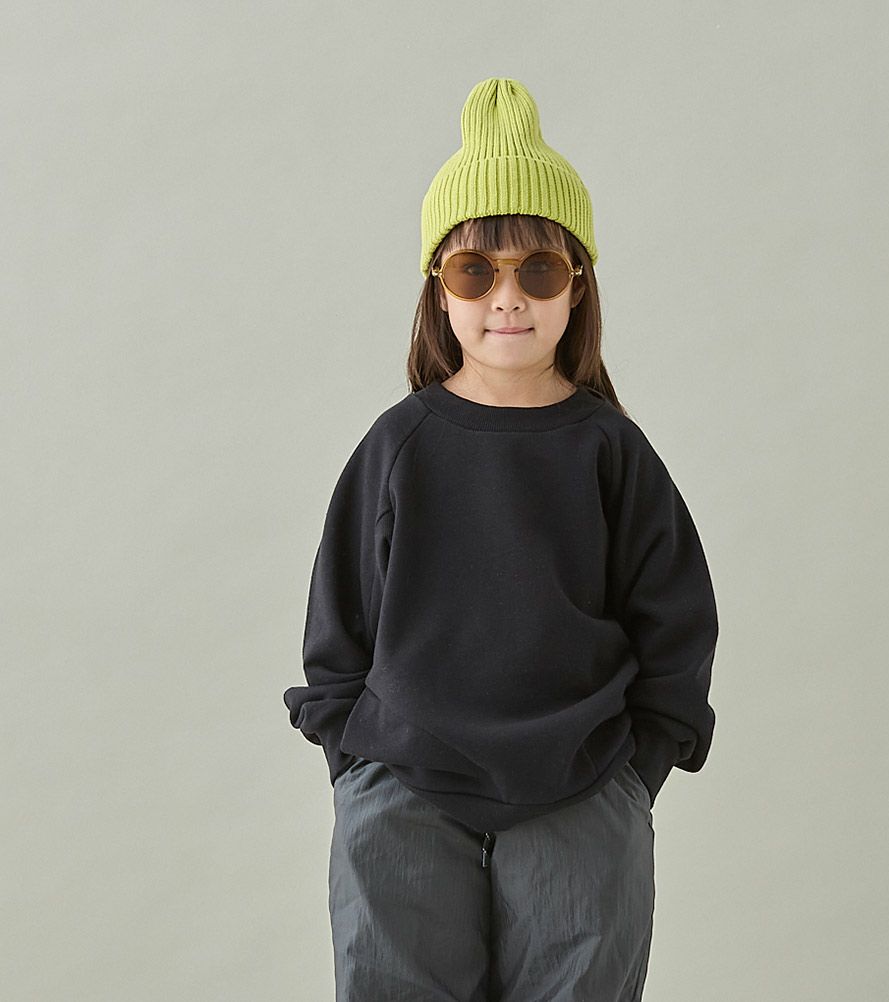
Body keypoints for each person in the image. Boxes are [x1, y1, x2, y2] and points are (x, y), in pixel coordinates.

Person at [283, 77, 719, 1002]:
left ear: (577, 286)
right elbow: (339, 625)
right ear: (439, 291)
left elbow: (675, 619)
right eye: (475, 272)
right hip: (403, 790)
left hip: (583, 786)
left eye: (540, 271)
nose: (508, 298)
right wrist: (358, 767)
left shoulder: (611, 450)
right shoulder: (398, 445)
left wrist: (632, 776)